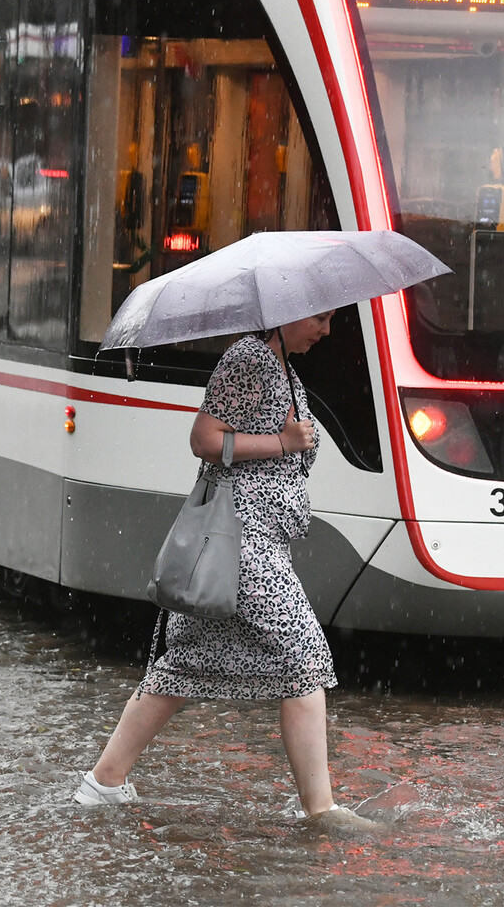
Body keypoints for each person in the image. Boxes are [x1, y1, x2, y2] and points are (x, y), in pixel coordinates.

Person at [74, 311, 378, 828]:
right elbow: (204, 439)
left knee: (189, 660)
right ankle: (321, 809)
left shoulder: (281, 365)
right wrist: (286, 442)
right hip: (242, 538)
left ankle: (102, 782)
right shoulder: (250, 358)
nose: (326, 330)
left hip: (258, 537)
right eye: (320, 319)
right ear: (288, 314)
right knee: (303, 654)